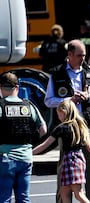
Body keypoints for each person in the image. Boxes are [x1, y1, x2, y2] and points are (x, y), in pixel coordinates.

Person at [44, 39, 90, 203]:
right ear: (69, 55)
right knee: (64, 167)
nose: (82, 59)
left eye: (84, 55)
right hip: (67, 127)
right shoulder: (56, 73)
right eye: (79, 55)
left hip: (87, 124)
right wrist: (69, 100)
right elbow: (48, 100)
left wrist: (88, 97)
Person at [33, 100, 90, 203]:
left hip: (68, 160)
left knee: (75, 193)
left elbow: (45, 145)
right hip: (79, 159)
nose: (58, 117)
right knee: (68, 192)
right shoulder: (80, 126)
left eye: (59, 114)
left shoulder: (61, 128)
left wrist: (30, 153)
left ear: (64, 112)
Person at [0, 72, 47, 203]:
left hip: (5, 158)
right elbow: (43, 130)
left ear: (1, 87)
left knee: (3, 198)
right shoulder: (29, 106)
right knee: (23, 198)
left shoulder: (1, 106)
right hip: (26, 157)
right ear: (17, 88)